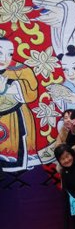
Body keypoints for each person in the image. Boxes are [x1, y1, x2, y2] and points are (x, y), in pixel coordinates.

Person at [0, 36, 39, 172]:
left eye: (9, 54)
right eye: (0, 53)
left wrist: (9, 88)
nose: (5, 58)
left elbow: (31, 91)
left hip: (14, 116)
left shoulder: (20, 70)